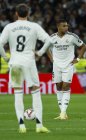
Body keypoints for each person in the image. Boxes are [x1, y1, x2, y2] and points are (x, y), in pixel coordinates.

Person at [0, 4, 52, 133]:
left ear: (16, 13)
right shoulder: (34, 26)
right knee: (35, 92)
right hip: (29, 63)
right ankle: (39, 126)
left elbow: (0, 43)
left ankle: (21, 125)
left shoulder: (9, 27)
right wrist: (40, 53)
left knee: (18, 93)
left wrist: (5, 58)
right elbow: (49, 40)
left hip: (15, 63)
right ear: (28, 13)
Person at [37, 19, 86, 120]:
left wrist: (77, 59)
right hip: (57, 66)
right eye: (64, 26)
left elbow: (84, 46)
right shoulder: (52, 38)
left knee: (66, 87)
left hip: (68, 65)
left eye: (67, 26)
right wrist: (51, 58)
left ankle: (63, 112)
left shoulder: (72, 37)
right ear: (58, 27)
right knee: (59, 87)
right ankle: (62, 113)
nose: (66, 28)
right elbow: (46, 47)